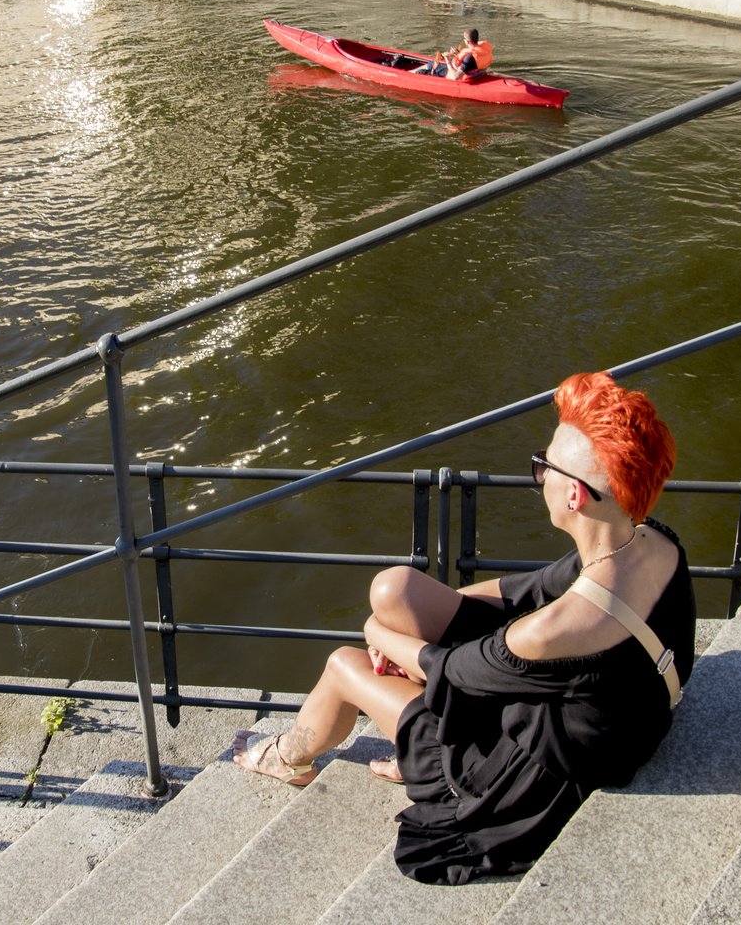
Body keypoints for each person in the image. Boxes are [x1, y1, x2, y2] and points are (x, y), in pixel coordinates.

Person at [232, 372, 694, 884]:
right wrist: (418, 612)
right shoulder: (651, 543)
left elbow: (452, 670)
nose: (538, 475)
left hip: (526, 777)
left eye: (544, 467)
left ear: (574, 497)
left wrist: (378, 635)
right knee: (395, 590)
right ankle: (386, 710)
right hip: (612, 714)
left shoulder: (549, 634)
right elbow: (531, 587)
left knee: (344, 666)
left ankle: (286, 757)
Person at [411, 27, 494, 81]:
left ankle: (408, 74)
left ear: (467, 41)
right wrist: (457, 54)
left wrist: (447, 60)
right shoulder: (481, 49)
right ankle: (409, 72)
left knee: (420, 72)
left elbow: (455, 77)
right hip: (473, 74)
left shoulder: (469, 58)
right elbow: (470, 64)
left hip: (453, 75)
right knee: (431, 63)